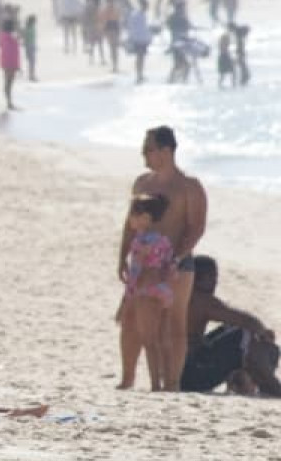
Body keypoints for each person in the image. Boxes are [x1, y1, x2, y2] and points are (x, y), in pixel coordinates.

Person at [122, 126, 207, 392]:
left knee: (173, 323)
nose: (143, 154)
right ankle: (127, 379)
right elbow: (129, 224)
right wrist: (121, 256)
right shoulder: (142, 183)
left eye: (148, 149)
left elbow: (196, 228)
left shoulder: (188, 187)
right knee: (132, 319)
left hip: (177, 264)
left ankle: (172, 383)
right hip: (142, 264)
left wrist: (175, 258)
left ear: (166, 150)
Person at [182, 257, 281, 396]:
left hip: (179, 373)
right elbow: (245, 320)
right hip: (193, 375)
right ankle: (270, 385)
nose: (215, 282)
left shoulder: (179, 297)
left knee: (231, 330)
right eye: (212, 277)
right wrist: (263, 332)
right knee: (244, 334)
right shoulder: (201, 300)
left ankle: (244, 381)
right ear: (199, 278)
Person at [117, 193, 177, 391]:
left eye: (134, 215)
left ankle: (154, 385)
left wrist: (126, 300)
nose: (130, 219)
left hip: (145, 291)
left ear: (145, 218)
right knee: (156, 338)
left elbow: (136, 271)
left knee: (148, 339)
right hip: (161, 291)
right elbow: (171, 267)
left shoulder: (142, 241)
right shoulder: (163, 240)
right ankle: (157, 382)